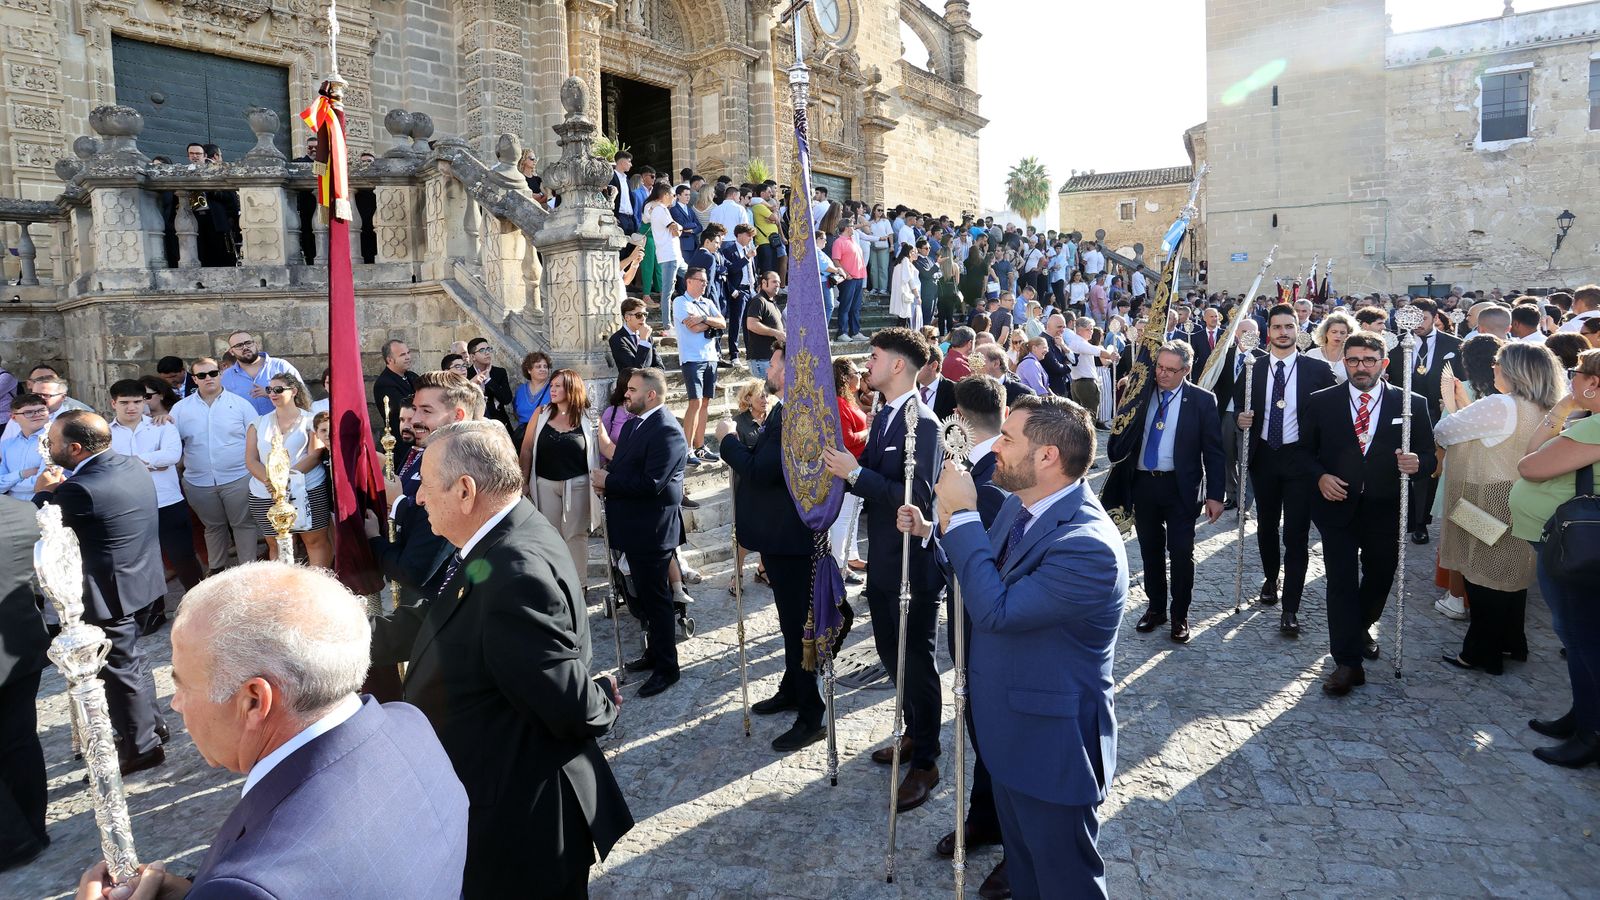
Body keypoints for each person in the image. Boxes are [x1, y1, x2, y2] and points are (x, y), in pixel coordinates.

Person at [73, 562, 470, 900]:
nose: (175, 704)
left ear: (254, 701)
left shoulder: (252, 887)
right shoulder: (407, 724)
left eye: (181, 685)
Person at [370, 420, 632, 896]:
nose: (419, 499)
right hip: (497, 800)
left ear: (466, 490)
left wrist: (603, 698)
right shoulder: (500, 534)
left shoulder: (513, 571)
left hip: (519, 825)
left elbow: (570, 704)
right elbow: (448, 610)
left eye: (427, 487)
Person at [914, 395, 1125, 899]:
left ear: (1047, 456)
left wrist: (962, 514)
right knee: (1028, 881)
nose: (996, 449)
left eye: (1008, 439)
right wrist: (940, 528)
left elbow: (997, 611)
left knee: (1065, 886)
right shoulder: (1019, 505)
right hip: (1010, 735)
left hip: (1052, 750)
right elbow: (983, 571)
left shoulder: (1087, 545)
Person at [821, 328, 945, 812]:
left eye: (873, 357)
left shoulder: (924, 423)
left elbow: (918, 499)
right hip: (884, 564)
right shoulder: (887, 415)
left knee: (917, 659)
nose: (866, 364)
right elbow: (868, 481)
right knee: (894, 656)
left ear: (898, 365)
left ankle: (928, 760)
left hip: (914, 566)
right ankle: (914, 731)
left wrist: (852, 472)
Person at [30, 411, 170, 775]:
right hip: (141, 580)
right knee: (132, 660)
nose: (50, 448)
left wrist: (42, 494)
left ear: (74, 449)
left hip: (110, 592)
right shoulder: (129, 464)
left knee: (119, 669)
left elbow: (43, 526)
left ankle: (143, 747)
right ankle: (152, 725)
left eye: (55, 442)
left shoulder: (77, 490)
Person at [1301, 332, 1435, 695]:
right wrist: (1320, 477)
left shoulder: (1411, 404)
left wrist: (1417, 463)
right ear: (1344, 362)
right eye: (1353, 360)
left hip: (1386, 507)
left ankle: (1361, 626)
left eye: (1368, 360)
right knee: (1340, 584)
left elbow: (1429, 456)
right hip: (1336, 507)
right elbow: (1302, 452)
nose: (1361, 368)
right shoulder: (1321, 402)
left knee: (1380, 575)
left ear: (1384, 363)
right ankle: (1347, 662)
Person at [717, 348, 827, 752]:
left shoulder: (794, 414)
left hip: (792, 540)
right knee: (788, 623)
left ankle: (811, 714)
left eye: (776, 362)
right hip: (779, 539)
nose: (769, 368)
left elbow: (762, 470)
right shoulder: (783, 411)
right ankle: (791, 688)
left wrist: (727, 439)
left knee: (798, 624)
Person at [1435, 342, 1561, 674]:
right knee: (1513, 573)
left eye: (1497, 363)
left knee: (1483, 576)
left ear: (1513, 370)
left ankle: (1480, 652)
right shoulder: (1550, 406)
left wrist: (1462, 410)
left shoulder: (1499, 404)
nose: (1493, 368)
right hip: (1528, 496)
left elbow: (1443, 430)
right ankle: (1511, 642)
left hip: (1489, 496)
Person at [1510, 348, 1600, 767]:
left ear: (1593, 382)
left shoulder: (1593, 429)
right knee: (1576, 634)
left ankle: (1591, 733)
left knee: (1583, 638)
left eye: (1576, 374)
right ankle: (1583, 714)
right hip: (1564, 544)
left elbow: (1530, 463)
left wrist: (1562, 410)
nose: (1572, 379)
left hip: (1573, 549)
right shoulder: (1586, 422)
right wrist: (1566, 406)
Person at [1233, 305, 1338, 633]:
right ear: (1269, 332)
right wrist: (1241, 419)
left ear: (1298, 330)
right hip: (1264, 458)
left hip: (1300, 461)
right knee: (1265, 527)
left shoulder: (1315, 371)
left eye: (1288, 326)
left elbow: (1331, 415)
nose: (1282, 332)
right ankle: (1270, 578)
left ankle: (1290, 607)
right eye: (1277, 326)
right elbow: (1239, 407)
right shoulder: (1253, 368)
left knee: (1296, 534)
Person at [592, 368, 689, 697]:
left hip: (653, 529)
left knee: (657, 598)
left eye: (632, 390)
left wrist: (608, 482)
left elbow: (652, 483)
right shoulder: (635, 424)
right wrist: (609, 480)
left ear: (651, 394)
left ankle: (667, 667)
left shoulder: (667, 431)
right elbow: (623, 466)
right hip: (633, 526)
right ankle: (653, 653)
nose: (625, 395)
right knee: (644, 598)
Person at [1125, 341, 1227, 643]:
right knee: (1149, 551)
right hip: (1144, 483)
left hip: (1181, 487)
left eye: (1171, 370)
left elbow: (1214, 451)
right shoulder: (1141, 393)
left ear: (1186, 370)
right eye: (1160, 367)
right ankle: (1156, 608)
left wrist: (1215, 495)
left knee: (1181, 553)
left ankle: (1180, 615)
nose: (1163, 374)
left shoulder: (1202, 401)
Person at [364, 371, 480, 610]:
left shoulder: (461, 469)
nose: (415, 420)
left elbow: (416, 570)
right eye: (415, 409)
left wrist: (395, 507)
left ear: (458, 416)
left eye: (426, 411)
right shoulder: (430, 454)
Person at [107, 379, 204, 592]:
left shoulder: (162, 426)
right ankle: (154, 612)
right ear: (113, 403)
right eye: (124, 402)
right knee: (140, 563)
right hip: (128, 507)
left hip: (167, 502)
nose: (131, 407)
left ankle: (200, 605)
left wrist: (128, 462)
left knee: (184, 558)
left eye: (137, 401)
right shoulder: (105, 434)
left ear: (144, 402)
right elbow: (107, 465)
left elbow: (171, 455)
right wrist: (152, 462)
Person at [170, 358, 261, 574]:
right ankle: (216, 569)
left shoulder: (241, 404)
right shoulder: (180, 409)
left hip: (238, 477)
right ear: (194, 379)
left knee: (244, 525)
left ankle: (248, 570)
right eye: (201, 375)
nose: (208, 378)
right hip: (198, 480)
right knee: (213, 527)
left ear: (220, 373)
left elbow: (257, 439)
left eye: (212, 373)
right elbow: (171, 440)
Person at [523, 369, 612, 585]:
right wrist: (522, 482)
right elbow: (526, 449)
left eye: (558, 386)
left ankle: (579, 586)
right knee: (550, 535)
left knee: (576, 536)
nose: (552, 390)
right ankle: (555, 583)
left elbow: (607, 447)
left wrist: (635, 461)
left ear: (571, 388)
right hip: (544, 483)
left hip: (578, 484)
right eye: (551, 386)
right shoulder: (541, 413)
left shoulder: (589, 417)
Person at [1388, 298, 1465, 545]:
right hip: (1398, 412)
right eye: (1413, 318)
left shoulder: (1454, 345)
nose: (1418, 324)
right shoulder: (1396, 345)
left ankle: (1420, 522)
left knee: (1426, 466)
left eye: (1423, 318)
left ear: (1435, 318)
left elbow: (1461, 380)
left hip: (1435, 413)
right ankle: (1395, 515)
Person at [0, 494, 47, 872]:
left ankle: (14, 842)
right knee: (21, 741)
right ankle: (33, 828)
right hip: (20, 645)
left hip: (19, 644)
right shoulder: (21, 511)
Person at [243, 372, 331, 568]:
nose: (272, 393)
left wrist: (284, 480)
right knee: (278, 544)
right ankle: (285, 590)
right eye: (269, 390)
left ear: (294, 391)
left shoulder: (310, 420)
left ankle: (319, 587)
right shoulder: (257, 424)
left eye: (278, 389)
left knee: (314, 540)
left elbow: (315, 454)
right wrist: (271, 482)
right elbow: (250, 459)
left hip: (307, 488)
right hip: (266, 492)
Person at [673, 266, 726, 463]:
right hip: (692, 358)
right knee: (694, 402)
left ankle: (700, 446)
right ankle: (687, 449)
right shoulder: (680, 301)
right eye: (701, 280)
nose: (705, 284)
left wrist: (704, 318)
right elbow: (692, 327)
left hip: (710, 357)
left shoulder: (708, 302)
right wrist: (710, 323)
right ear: (689, 281)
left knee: (705, 403)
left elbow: (722, 323)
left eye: (705, 281)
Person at [1212, 318, 1261, 511]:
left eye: (1251, 333)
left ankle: (1244, 503)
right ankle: (1231, 495)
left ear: (1257, 336)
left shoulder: (1262, 358)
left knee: (1246, 459)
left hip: (1249, 418)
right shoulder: (1224, 356)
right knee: (1227, 456)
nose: (1246, 337)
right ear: (1236, 334)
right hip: (1225, 413)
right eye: (1243, 333)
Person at [829, 358, 869, 582]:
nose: (860, 376)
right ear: (845, 377)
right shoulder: (837, 402)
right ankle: (839, 563)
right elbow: (846, 439)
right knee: (843, 517)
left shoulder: (848, 400)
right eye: (856, 372)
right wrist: (869, 431)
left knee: (853, 512)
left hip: (857, 465)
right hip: (846, 467)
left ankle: (851, 556)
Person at [220, 331, 303, 415]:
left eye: (248, 343)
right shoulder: (226, 377)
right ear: (231, 351)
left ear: (256, 344)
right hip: (247, 427)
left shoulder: (280, 366)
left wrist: (271, 393)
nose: (245, 347)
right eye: (239, 345)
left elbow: (301, 394)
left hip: (282, 425)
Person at [373, 338, 420, 470]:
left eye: (408, 353)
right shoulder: (384, 384)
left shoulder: (412, 376)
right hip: (402, 445)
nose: (408, 357)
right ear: (389, 360)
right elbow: (404, 409)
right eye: (402, 355)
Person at [0, 394, 48, 501]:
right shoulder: (7, 444)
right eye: (28, 412)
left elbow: (44, 482)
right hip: (12, 506)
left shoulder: (53, 441)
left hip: (41, 505)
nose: (37, 415)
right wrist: (22, 474)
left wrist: (10, 483)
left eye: (41, 410)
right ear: (13, 417)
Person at [742, 271, 786, 380]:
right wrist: (776, 332)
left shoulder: (772, 303)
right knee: (766, 396)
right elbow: (751, 324)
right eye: (774, 282)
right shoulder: (758, 301)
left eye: (779, 282)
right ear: (764, 282)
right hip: (761, 360)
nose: (777, 285)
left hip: (771, 359)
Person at [609, 301, 661, 388]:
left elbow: (660, 367)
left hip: (650, 388)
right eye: (639, 315)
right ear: (627, 317)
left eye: (645, 314)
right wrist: (643, 341)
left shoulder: (648, 336)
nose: (643, 318)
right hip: (630, 391)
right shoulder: (618, 339)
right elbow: (635, 370)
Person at [466, 338, 514, 428]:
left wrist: (489, 380)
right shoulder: (467, 374)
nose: (487, 353)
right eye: (482, 350)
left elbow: (506, 399)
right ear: (472, 357)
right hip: (474, 424)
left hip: (499, 423)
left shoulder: (499, 372)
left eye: (488, 349)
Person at [1304, 309, 1356, 383]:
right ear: (1325, 332)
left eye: (1342, 333)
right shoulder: (1312, 354)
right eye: (1334, 332)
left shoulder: (1352, 356)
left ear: (1348, 335)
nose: (1338, 336)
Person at [889, 242, 922, 329]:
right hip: (904, 294)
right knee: (903, 320)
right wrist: (917, 296)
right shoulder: (905, 261)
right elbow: (909, 279)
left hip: (902, 293)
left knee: (902, 320)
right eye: (914, 251)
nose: (916, 253)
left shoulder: (902, 262)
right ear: (909, 253)